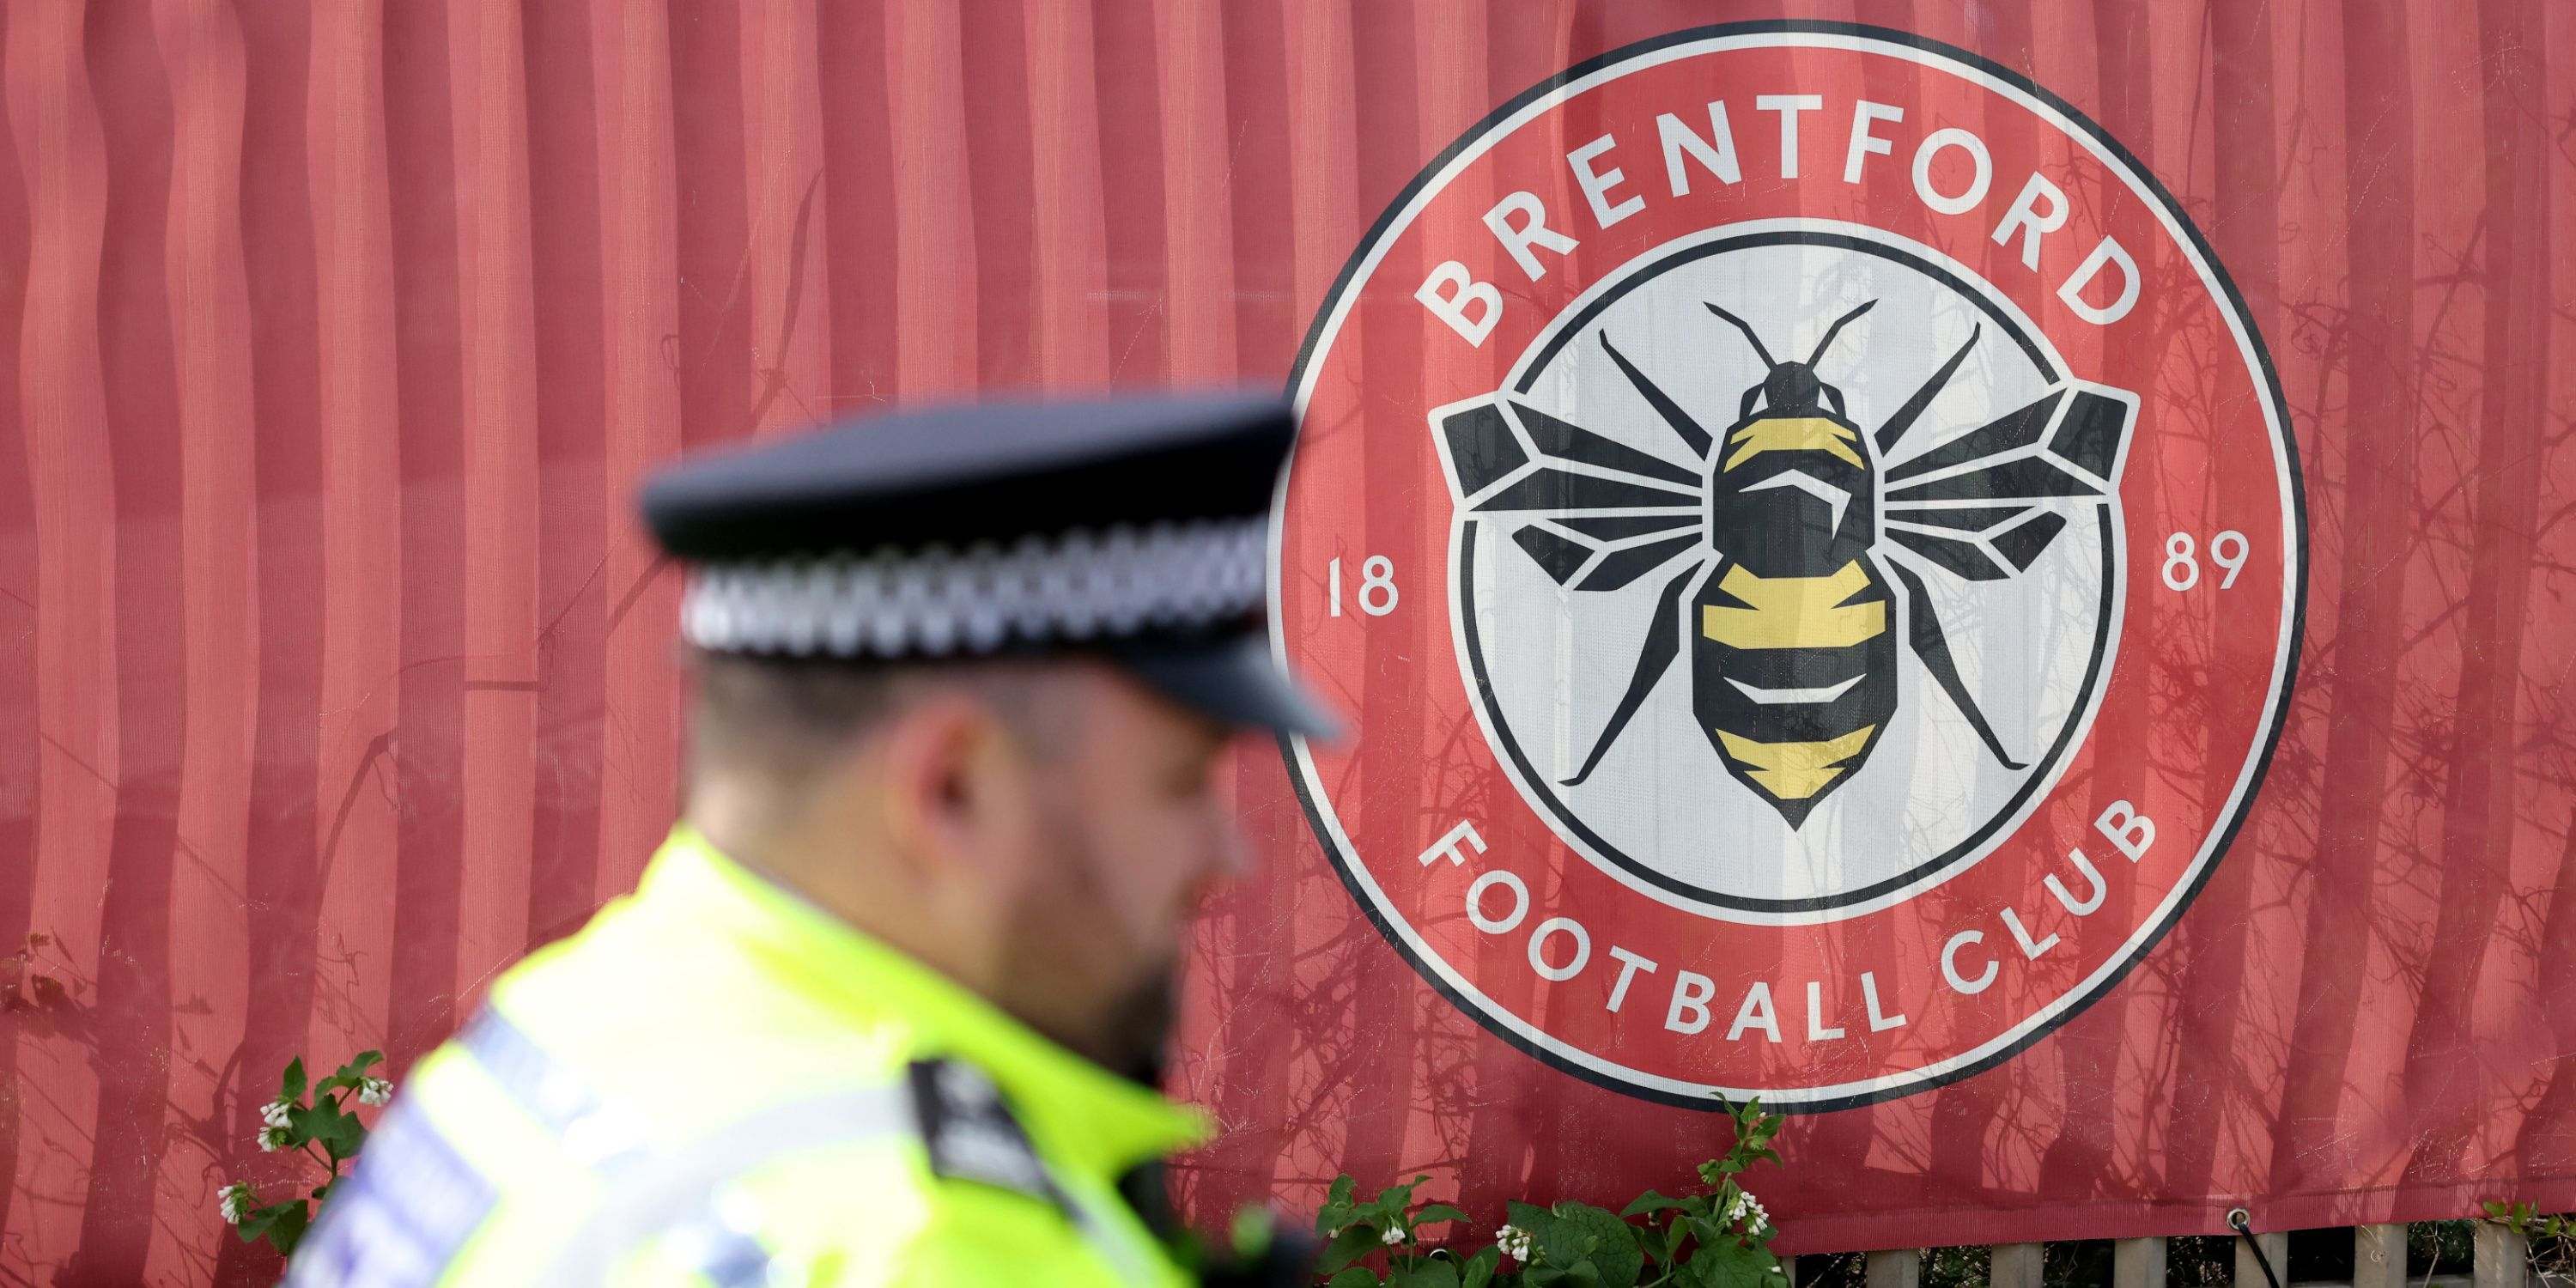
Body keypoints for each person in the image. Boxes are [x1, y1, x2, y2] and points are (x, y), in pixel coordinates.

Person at [284, 392, 1337, 1286]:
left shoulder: (571, 1023)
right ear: (951, 791)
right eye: (1183, 778)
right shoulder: (927, 1242)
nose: (1224, 849)